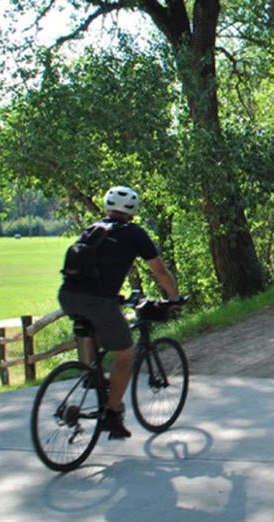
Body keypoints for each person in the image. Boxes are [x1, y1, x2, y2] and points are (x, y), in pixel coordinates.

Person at [58, 185, 181, 439]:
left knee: (95, 331)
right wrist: (174, 297)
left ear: (107, 207)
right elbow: (159, 271)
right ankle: (112, 416)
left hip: (68, 296)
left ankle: (93, 376)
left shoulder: (92, 229)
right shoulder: (134, 234)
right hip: (98, 301)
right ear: (133, 211)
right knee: (125, 353)